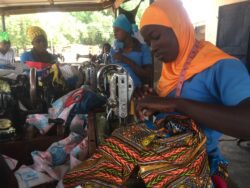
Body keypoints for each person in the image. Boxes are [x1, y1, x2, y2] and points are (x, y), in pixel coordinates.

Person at [135, 0, 250, 186]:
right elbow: (167, 115)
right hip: (164, 160)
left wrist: (177, 104)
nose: (152, 47)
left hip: (200, 168)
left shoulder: (223, 67)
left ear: (178, 26)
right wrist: (149, 102)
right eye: (148, 43)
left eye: (155, 37)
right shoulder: (170, 69)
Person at [111, 14, 152, 87]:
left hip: (138, 93)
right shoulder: (114, 50)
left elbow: (148, 76)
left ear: (126, 30)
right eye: (114, 31)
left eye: (117, 30)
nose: (114, 33)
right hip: (118, 92)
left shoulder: (142, 49)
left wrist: (124, 59)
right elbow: (111, 73)